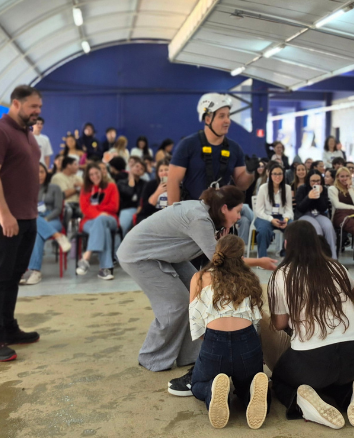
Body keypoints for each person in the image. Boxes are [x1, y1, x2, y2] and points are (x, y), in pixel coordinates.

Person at [116, 186, 275, 388]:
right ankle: (151, 357)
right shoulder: (199, 219)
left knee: (199, 291)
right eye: (237, 212)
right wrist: (260, 261)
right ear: (225, 208)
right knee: (176, 305)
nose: (238, 217)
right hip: (138, 256)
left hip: (163, 252)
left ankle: (189, 355)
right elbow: (221, 260)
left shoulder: (205, 213)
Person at [263, 221, 354, 429]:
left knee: (280, 379)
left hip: (312, 363)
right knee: (335, 377)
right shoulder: (336, 266)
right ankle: (348, 394)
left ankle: (303, 403)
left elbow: (280, 324)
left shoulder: (283, 275)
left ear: (287, 244)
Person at [0, 85, 43, 362]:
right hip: (1, 218)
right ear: (15, 104)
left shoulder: (26, 134)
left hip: (27, 216)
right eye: (33, 107)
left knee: (13, 276)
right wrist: (4, 214)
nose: (38, 113)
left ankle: (8, 327)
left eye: (39, 108)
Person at [188, 234, 268, 429]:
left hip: (215, 344)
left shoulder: (199, 278)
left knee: (197, 383)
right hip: (247, 343)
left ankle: (212, 390)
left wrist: (209, 341)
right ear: (241, 257)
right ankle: (249, 392)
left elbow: (195, 322)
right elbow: (257, 321)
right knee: (247, 382)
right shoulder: (251, 278)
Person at [168, 94, 256, 204]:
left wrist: (250, 171)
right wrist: (174, 215)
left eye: (228, 116)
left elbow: (242, 185)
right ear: (208, 119)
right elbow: (173, 182)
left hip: (222, 213)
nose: (227, 121)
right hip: (191, 212)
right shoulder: (187, 145)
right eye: (221, 116)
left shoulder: (234, 148)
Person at [19, 163, 71, 285]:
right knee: (36, 232)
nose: (40, 175)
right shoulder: (28, 189)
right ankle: (58, 237)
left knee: (36, 227)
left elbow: (58, 209)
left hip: (52, 220)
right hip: (34, 218)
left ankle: (35, 271)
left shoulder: (55, 188)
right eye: (37, 172)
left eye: (42, 171)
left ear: (46, 173)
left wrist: (46, 219)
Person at [77, 162, 120, 280]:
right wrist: (100, 213)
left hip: (110, 219)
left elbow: (114, 206)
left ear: (101, 172)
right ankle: (105, 269)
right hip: (89, 221)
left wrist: (97, 211)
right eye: (91, 174)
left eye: (97, 173)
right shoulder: (85, 190)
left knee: (102, 222)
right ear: (88, 176)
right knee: (103, 230)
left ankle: (86, 256)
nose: (95, 176)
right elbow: (84, 208)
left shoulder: (111, 186)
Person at [294, 170, 337, 259]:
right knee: (316, 228)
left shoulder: (324, 189)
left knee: (328, 226)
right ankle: (318, 257)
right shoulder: (302, 189)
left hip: (318, 214)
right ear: (308, 181)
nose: (316, 183)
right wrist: (308, 197)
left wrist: (320, 195)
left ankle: (333, 258)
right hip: (304, 215)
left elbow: (323, 208)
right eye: (313, 181)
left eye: (318, 180)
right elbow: (300, 208)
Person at [253, 165, 292, 258]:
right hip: (265, 217)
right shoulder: (263, 188)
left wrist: (286, 220)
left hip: (282, 216)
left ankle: (286, 253)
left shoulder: (287, 188)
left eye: (280, 174)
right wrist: (271, 219)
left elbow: (289, 209)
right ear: (270, 175)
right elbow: (258, 210)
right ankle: (262, 258)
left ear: (283, 175)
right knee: (263, 231)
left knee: (293, 228)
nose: (277, 176)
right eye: (274, 174)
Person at [117, 156, 147, 234]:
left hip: (139, 211)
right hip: (124, 210)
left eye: (141, 169)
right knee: (122, 226)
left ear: (143, 173)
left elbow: (142, 199)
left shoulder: (144, 184)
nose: (138, 169)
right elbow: (129, 193)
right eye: (137, 166)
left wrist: (137, 213)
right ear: (131, 167)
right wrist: (131, 179)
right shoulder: (121, 183)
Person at [137, 159, 169, 224]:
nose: (164, 173)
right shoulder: (150, 185)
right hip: (152, 215)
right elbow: (146, 209)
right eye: (161, 170)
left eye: (166, 170)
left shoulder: (178, 185)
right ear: (157, 173)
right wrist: (158, 192)